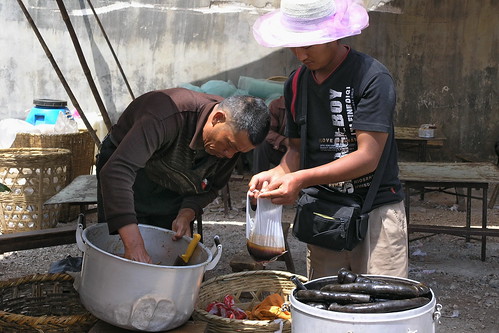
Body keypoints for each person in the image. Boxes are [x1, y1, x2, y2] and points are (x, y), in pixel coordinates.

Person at [250, 0, 408, 279]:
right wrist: (277, 174)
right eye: (293, 45)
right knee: (326, 308)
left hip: (375, 212)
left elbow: (367, 158)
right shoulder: (296, 83)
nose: (300, 54)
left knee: (380, 310)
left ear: (332, 36)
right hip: (324, 214)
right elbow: (295, 152)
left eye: (308, 45)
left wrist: (300, 180)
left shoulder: (371, 77)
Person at [97, 88, 270, 263]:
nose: (229, 155)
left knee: (164, 257)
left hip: (173, 184)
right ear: (218, 118)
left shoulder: (232, 143)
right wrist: (134, 246)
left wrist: (186, 213)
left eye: (237, 151)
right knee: (119, 257)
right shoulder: (166, 113)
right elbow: (117, 171)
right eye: (228, 145)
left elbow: (212, 187)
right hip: (129, 178)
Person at [252, 96, 288, 174]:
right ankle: (259, 180)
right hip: (282, 151)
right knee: (261, 143)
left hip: (305, 155)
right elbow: (266, 131)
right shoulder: (276, 105)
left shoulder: (310, 107)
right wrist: (284, 141)